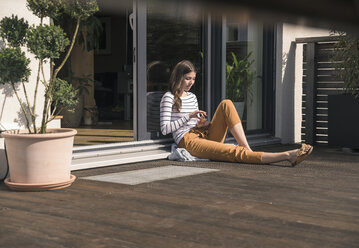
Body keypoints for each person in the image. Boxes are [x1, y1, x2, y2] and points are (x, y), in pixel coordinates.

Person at [160, 60, 313, 165]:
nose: (191, 82)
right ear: (178, 77)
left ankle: (246, 147)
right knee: (232, 152)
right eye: (187, 78)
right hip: (187, 141)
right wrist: (189, 116)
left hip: (203, 134)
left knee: (226, 103)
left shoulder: (192, 96)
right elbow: (165, 129)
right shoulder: (169, 97)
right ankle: (288, 155)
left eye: (193, 79)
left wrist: (203, 123)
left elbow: (196, 123)